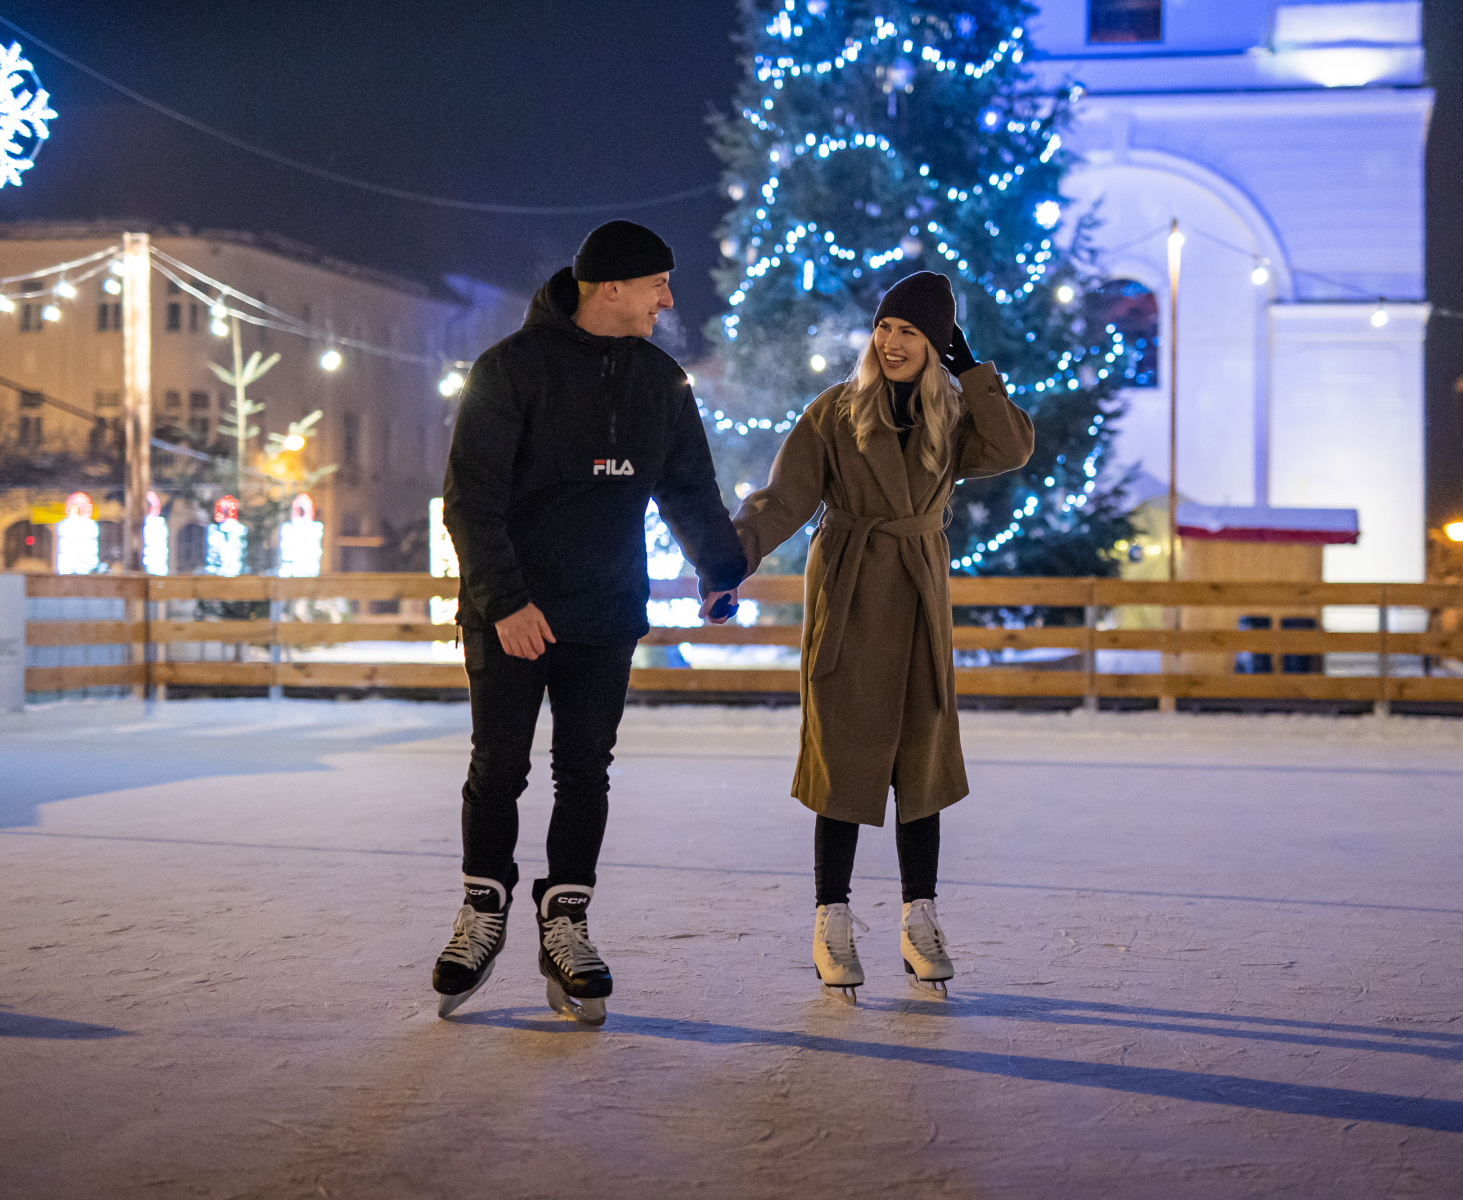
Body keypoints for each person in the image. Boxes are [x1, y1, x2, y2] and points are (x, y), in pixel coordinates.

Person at [433, 220, 745, 1024]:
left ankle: (565, 922)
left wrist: (719, 569)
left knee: (585, 771)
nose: (667, 301)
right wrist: (505, 602)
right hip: (512, 615)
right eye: (657, 285)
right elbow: (470, 501)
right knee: (499, 765)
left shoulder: (660, 380)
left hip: (604, 610)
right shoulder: (510, 370)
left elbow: (688, 487)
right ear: (611, 287)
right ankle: (483, 909)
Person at [729, 271, 1033, 998]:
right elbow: (785, 499)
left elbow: (1012, 447)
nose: (892, 343)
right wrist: (727, 559)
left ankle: (920, 919)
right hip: (853, 591)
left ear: (936, 344)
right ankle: (831, 920)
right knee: (842, 758)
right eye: (885, 328)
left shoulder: (951, 414)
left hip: (920, 593)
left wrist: (972, 372)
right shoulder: (836, 410)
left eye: (911, 332)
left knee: (921, 765)